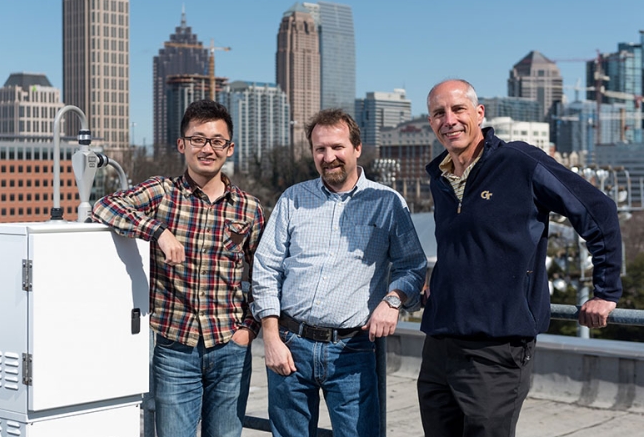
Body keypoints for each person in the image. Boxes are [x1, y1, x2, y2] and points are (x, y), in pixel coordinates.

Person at [419, 79, 622, 437]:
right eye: (438, 113)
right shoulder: (439, 177)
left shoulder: (518, 162)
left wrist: (606, 292)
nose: (448, 120)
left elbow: (599, 210)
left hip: (498, 348)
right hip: (439, 344)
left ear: (479, 113)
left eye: (458, 109)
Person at [91, 99, 264, 437]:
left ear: (230, 149)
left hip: (231, 347)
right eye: (198, 139)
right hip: (175, 349)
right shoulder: (163, 193)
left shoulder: (249, 208)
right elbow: (105, 206)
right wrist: (159, 232)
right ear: (181, 145)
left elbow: (265, 275)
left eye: (216, 141)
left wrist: (250, 329)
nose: (207, 149)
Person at [251, 108, 428, 437]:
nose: (328, 156)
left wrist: (393, 300)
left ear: (357, 148)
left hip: (352, 351)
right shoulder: (293, 199)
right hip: (290, 345)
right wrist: (271, 338)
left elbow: (413, 265)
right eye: (320, 149)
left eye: (337, 147)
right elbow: (266, 267)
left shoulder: (388, 203)